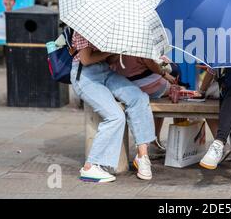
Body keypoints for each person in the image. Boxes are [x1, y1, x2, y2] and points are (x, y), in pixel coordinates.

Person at [70, 32, 156, 183]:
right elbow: (86, 59)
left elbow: (110, 60)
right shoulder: (84, 28)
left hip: (105, 72)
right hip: (84, 76)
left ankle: (142, 156)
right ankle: (90, 166)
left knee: (139, 98)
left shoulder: (113, 28)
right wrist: (109, 51)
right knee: (115, 116)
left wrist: (120, 49)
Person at [108, 55, 186, 158]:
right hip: (149, 86)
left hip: (124, 86)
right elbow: (149, 62)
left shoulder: (114, 42)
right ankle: (164, 143)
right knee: (177, 84)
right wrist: (164, 74)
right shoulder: (139, 41)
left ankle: (152, 143)